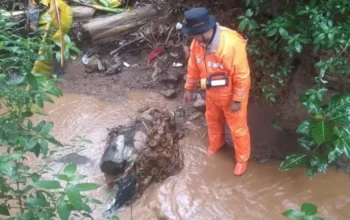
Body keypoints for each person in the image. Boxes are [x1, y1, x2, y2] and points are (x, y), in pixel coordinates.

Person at [181, 7, 251, 176]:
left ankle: (242, 159)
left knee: (238, 129)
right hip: (212, 93)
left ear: (203, 31)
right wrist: (188, 89)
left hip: (231, 96)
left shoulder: (231, 45)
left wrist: (237, 100)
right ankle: (216, 144)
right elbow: (193, 67)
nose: (191, 37)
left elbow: (242, 76)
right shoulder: (197, 44)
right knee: (212, 120)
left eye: (193, 33)